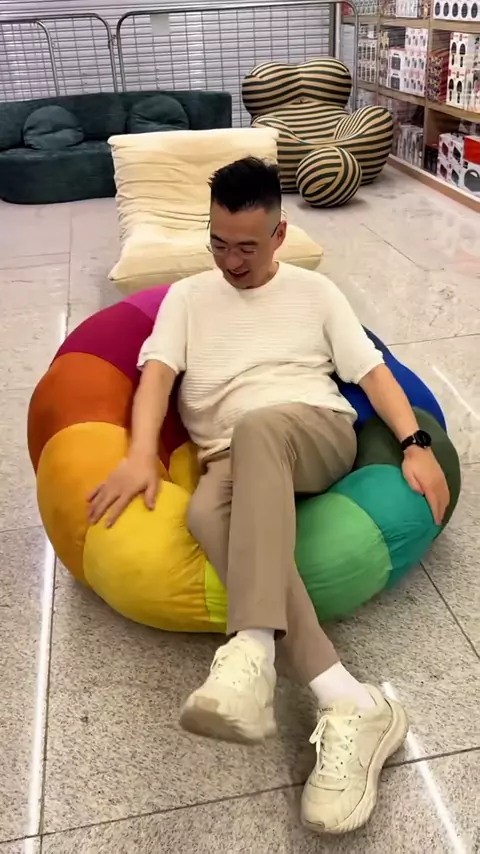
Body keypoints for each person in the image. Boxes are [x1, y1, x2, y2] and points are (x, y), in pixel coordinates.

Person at [88, 157, 449, 835]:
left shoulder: (316, 293)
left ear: (280, 235)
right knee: (203, 510)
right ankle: (347, 698)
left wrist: (414, 443)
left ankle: (252, 647)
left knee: (259, 427)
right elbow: (156, 378)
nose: (230, 261)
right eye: (218, 243)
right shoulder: (187, 298)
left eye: (247, 247)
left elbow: (374, 374)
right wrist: (139, 455)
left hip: (311, 432)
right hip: (231, 455)